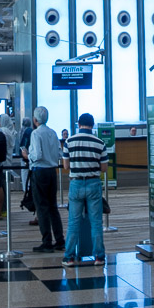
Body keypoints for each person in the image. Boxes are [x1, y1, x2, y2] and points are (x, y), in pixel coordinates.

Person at [62, 113, 107, 266]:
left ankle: (69, 257)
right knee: (96, 222)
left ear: (79, 124)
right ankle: (99, 256)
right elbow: (104, 168)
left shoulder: (69, 141)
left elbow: (66, 166)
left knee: (73, 222)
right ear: (92, 125)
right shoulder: (100, 142)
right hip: (94, 183)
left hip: (76, 183)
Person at [27, 106, 64, 253]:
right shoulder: (53, 132)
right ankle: (60, 240)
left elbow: (37, 155)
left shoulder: (36, 134)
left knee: (42, 207)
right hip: (52, 171)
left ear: (35, 119)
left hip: (40, 171)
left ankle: (47, 241)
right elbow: (59, 153)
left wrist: (27, 156)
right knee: (53, 206)